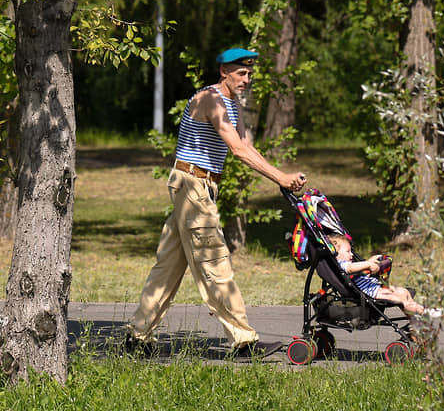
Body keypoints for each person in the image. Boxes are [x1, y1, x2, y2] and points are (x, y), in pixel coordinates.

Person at [126, 48, 307, 358]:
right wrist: (280, 177)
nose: (247, 79)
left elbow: (248, 146)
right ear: (224, 71)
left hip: (197, 185)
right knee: (215, 260)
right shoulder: (211, 100)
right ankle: (244, 341)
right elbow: (238, 151)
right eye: (241, 73)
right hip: (193, 184)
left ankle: (138, 338)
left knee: (168, 266)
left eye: (250, 74)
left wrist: (282, 176)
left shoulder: (232, 104)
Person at [329, 235, 425, 315]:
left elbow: (358, 266)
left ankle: (413, 313)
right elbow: (351, 268)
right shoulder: (342, 264)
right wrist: (369, 264)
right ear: (336, 254)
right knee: (400, 299)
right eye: (348, 251)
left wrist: (369, 261)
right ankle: (419, 311)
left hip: (377, 287)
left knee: (404, 291)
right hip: (372, 293)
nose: (352, 255)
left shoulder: (349, 263)